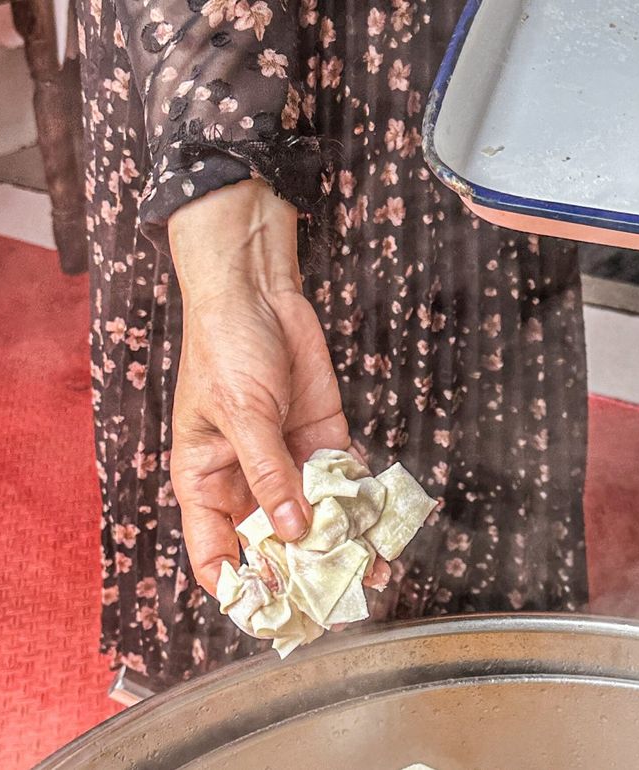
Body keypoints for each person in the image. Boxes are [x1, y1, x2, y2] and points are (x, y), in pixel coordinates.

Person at [76, 0, 589, 689]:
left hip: (449, 45)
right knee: (243, 431)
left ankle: (478, 696)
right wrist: (238, 271)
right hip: (229, 44)